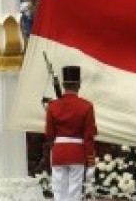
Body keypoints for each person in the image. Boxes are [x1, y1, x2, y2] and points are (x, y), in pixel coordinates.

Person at [45, 66, 97, 201]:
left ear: (63, 84)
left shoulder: (53, 105)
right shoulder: (87, 106)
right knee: (74, 192)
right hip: (77, 153)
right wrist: (91, 162)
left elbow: (49, 134)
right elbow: (89, 137)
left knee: (58, 192)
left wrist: (55, 148)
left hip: (59, 151)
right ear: (79, 84)